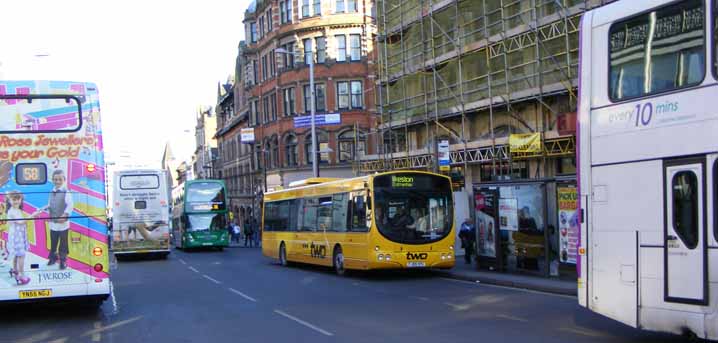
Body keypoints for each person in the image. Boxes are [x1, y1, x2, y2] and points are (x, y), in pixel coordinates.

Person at [33, 169, 73, 270]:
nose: (57, 181)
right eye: (55, 179)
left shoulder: (66, 191)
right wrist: (42, 209)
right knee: (53, 241)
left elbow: (70, 205)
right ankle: (53, 257)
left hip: (63, 224)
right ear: (52, 180)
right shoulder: (51, 191)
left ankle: (63, 260)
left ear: (64, 179)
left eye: (60, 179)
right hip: (53, 223)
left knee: (63, 243)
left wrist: (65, 215)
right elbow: (50, 204)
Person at [7, 191, 30, 284]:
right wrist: (33, 216)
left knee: (17, 254)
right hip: (17, 236)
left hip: (18, 235)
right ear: (9, 200)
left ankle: (14, 270)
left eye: (18, 199)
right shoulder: (12, 211)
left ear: (21, 200)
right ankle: (21, 275)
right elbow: (21, 222)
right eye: (13, 199)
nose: (16, 201)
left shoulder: (16, 210)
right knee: (21, 255)